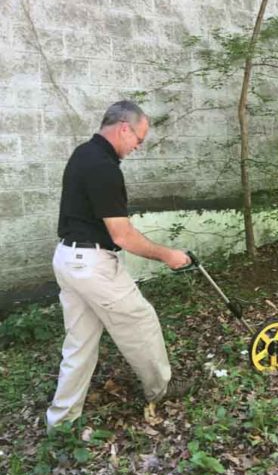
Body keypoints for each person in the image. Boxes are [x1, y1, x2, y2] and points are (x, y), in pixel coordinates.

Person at [47, 100, 194, 432]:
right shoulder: (103, 167)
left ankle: (61, 424)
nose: (137, 147)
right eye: (138, 139)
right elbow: (123, 234)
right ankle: (161, 388)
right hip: (92, 264)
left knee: (79, 343)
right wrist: (167, 254)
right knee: (141, 320)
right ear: (124, 127)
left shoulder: (83, 154)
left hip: (68, 259)